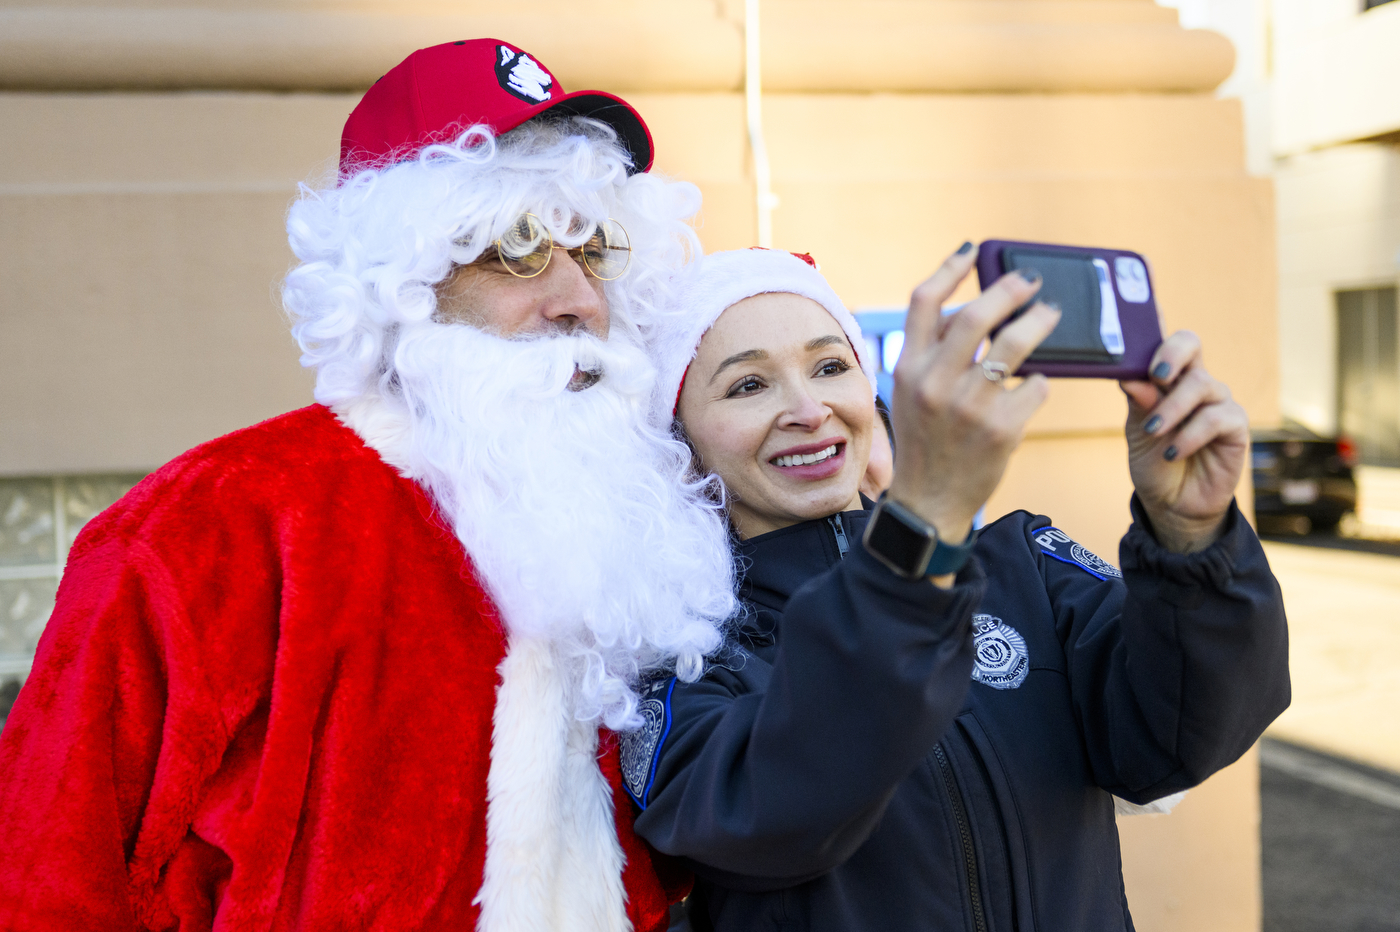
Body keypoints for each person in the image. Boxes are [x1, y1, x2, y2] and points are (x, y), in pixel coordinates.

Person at [0, 39, 738, 932]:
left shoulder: (641, 538)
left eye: (592, 249)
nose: (580, 299)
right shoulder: (213, 526)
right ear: (406, 280)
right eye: (518, 247)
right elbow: (44, 872)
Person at [626, 246, 1290, 932]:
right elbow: (778, 820)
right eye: (747, 386)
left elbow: (1177, 738)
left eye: (830, 367)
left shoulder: (1023, 565)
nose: (808, 408)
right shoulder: (679, 660)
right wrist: (922, 531)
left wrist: (1190, 540)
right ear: (681, 445)